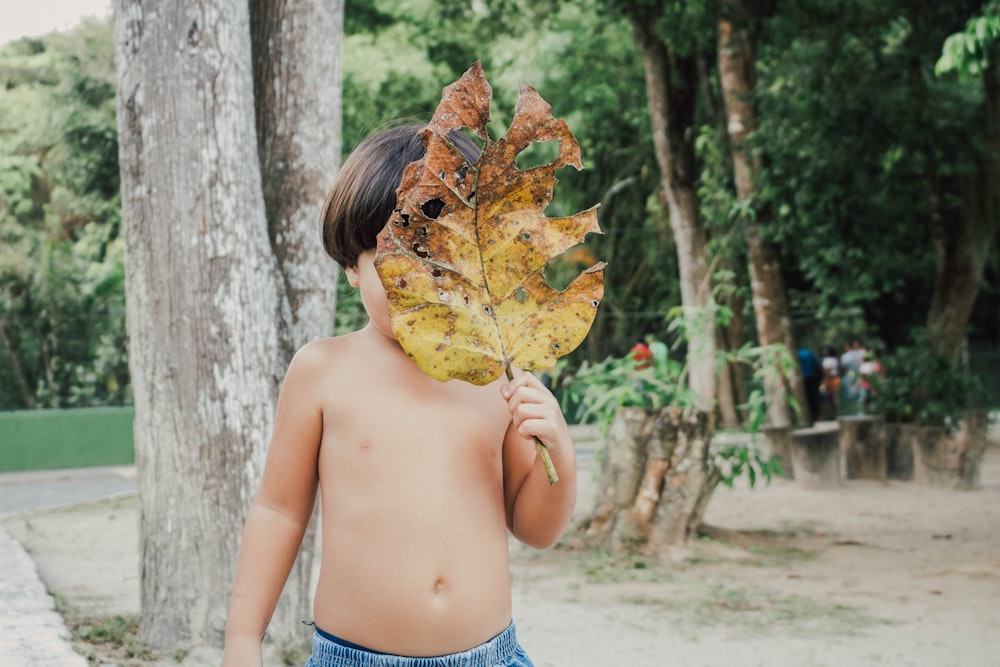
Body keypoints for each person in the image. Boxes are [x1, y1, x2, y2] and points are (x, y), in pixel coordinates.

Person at [221, 124, 577, 667]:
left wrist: (561, 454)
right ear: (350, 267)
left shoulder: (496, 379)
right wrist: (243, 641)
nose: (418, 281)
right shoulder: (323, 373)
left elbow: (535, 529)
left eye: (439, 258)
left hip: (490, 656)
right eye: (393, 261)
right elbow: (278, 511)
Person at [797, 346, 822, 423]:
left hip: (800, 379)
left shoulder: (795, 354)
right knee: (813, 397)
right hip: (811, 377)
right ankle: (815, 416)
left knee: (804, 398)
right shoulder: (808, 353)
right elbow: (817, 365)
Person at [820, 346, 841, 419]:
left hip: (829, 379)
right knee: (834, 397)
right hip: (836, 378)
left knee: (824, 399)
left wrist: (823, 381)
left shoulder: (827, 360)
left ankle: (823, 416)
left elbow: (827, 371)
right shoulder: (835, 359)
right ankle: (836, 415)